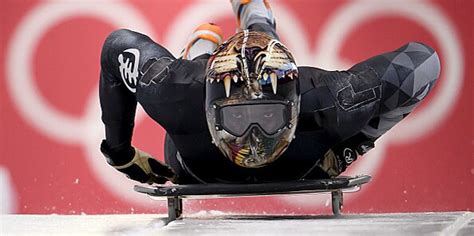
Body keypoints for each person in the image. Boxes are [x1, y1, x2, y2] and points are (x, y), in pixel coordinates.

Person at [99, 0, 440, 184]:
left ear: (294, 109)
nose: (253, 139)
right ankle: (219, 39)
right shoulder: (175, 92)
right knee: (197, 65)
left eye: (267, 116)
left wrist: (121, 153)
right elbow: (421, 64)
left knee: (208, 63)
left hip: (194, 161)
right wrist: (351, 145)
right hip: (196, 102)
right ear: (209, 109)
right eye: (237, 117)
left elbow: (118, 46)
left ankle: (223, 34)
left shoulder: (327, 101)